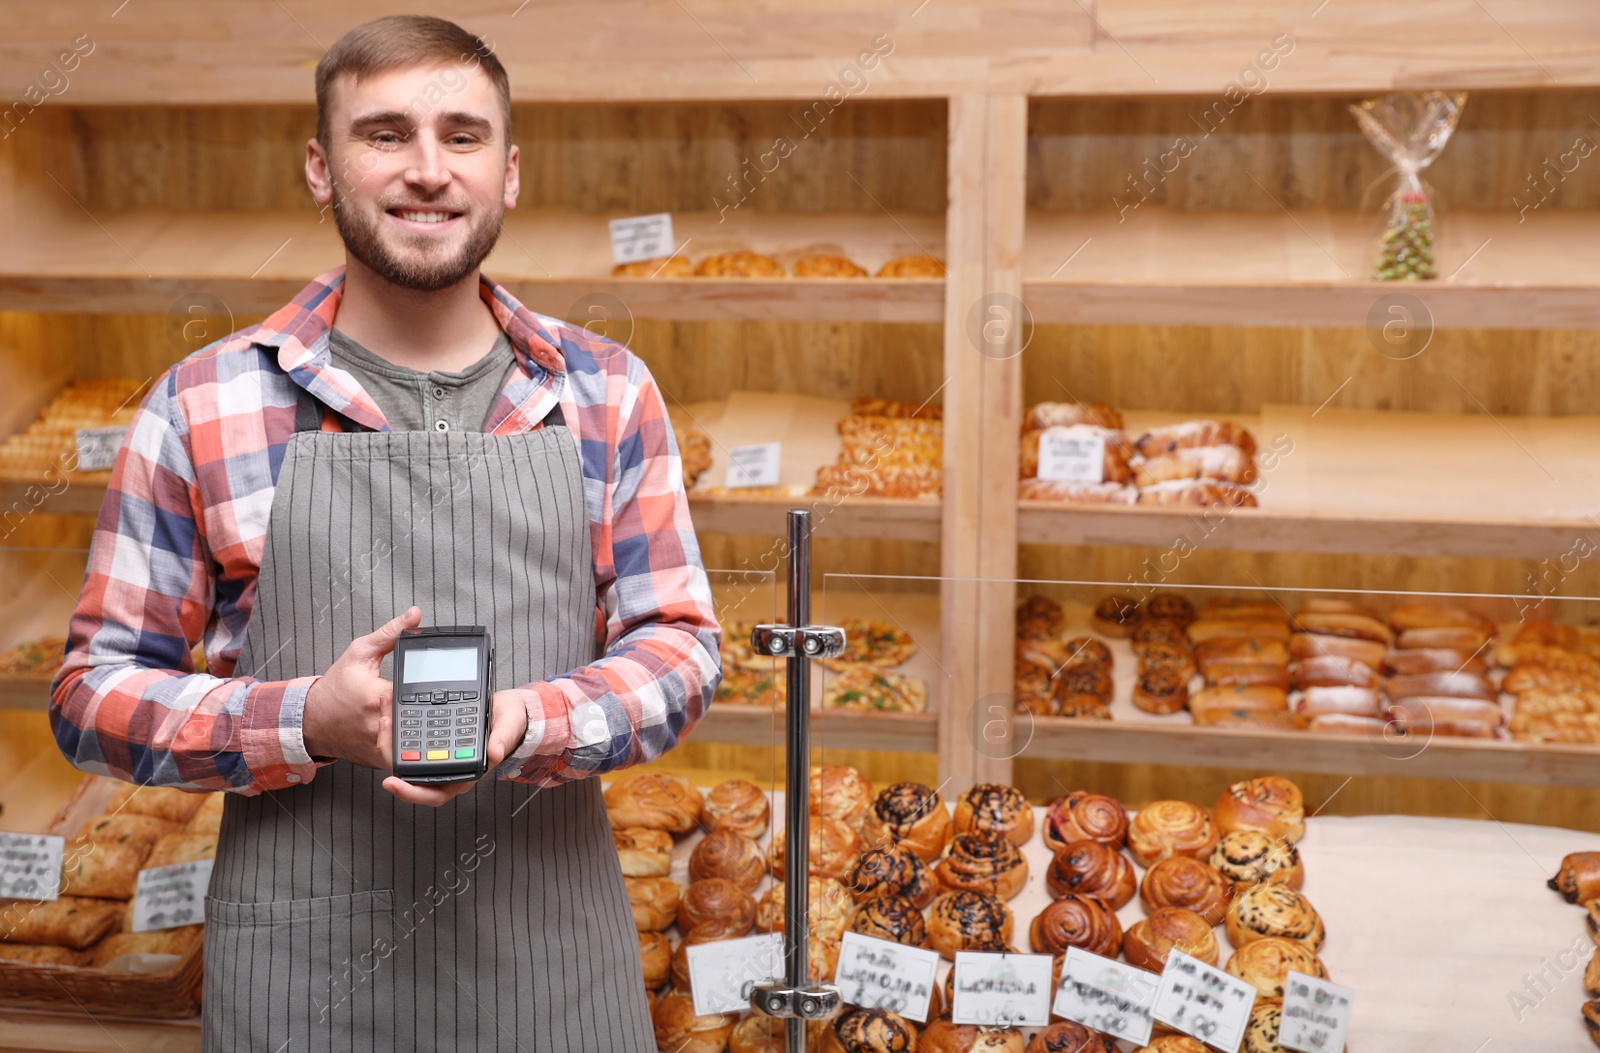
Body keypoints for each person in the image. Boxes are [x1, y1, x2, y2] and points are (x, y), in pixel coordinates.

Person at [50, 14, 719, 1052]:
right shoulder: (202, 404)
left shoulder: (607, 392)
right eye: (383, 134)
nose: (426, 171)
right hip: (305, 985)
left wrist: (528, 720)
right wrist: (302, 720)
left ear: (509, 173)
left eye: (462, 135)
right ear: (322, 167)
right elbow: (91, 696)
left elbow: (679, 649)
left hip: (553, 973)